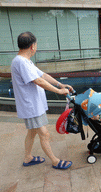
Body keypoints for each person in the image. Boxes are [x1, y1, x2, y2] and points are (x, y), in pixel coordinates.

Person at [11, 31, 72, 170]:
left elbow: (42, 75)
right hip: (31, 106)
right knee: (44, 134)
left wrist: (59, 84)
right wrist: (58, 91)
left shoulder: (25, 61)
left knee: (32, 132)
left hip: (33, 105)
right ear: (32, 46)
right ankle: (55, 161)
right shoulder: (21, 62)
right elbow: (38, 81)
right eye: (36, 45)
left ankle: (28, 157)